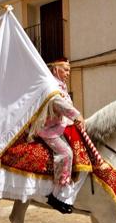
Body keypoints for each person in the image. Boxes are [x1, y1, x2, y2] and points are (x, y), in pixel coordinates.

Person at [29, 58, 85, 214]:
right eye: (65, 69)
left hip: (61, 125)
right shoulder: (51, 85)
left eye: (69, 70)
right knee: (66, 153)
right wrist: (77, 115)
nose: (68, 73)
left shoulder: (62, 86)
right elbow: (57, 103)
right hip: (48, 128)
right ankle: (55, 195)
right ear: (55, 69)